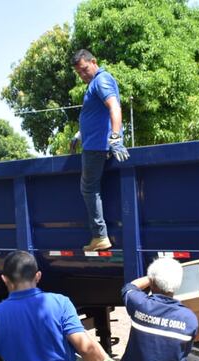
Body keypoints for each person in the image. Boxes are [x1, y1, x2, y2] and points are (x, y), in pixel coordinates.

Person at [71, 48, 129, 252]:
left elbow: (114, 107)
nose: (83, 75)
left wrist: (115, 138)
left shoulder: (101, 80)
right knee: (92, 188)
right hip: (93, 143)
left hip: (96, 147)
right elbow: (97, 115)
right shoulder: (94, 83)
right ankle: (99, 234)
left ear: (93, 61)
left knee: (89, 188)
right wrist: (80, 134)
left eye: (85, 69)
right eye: (79, 73)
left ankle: (99, 235)